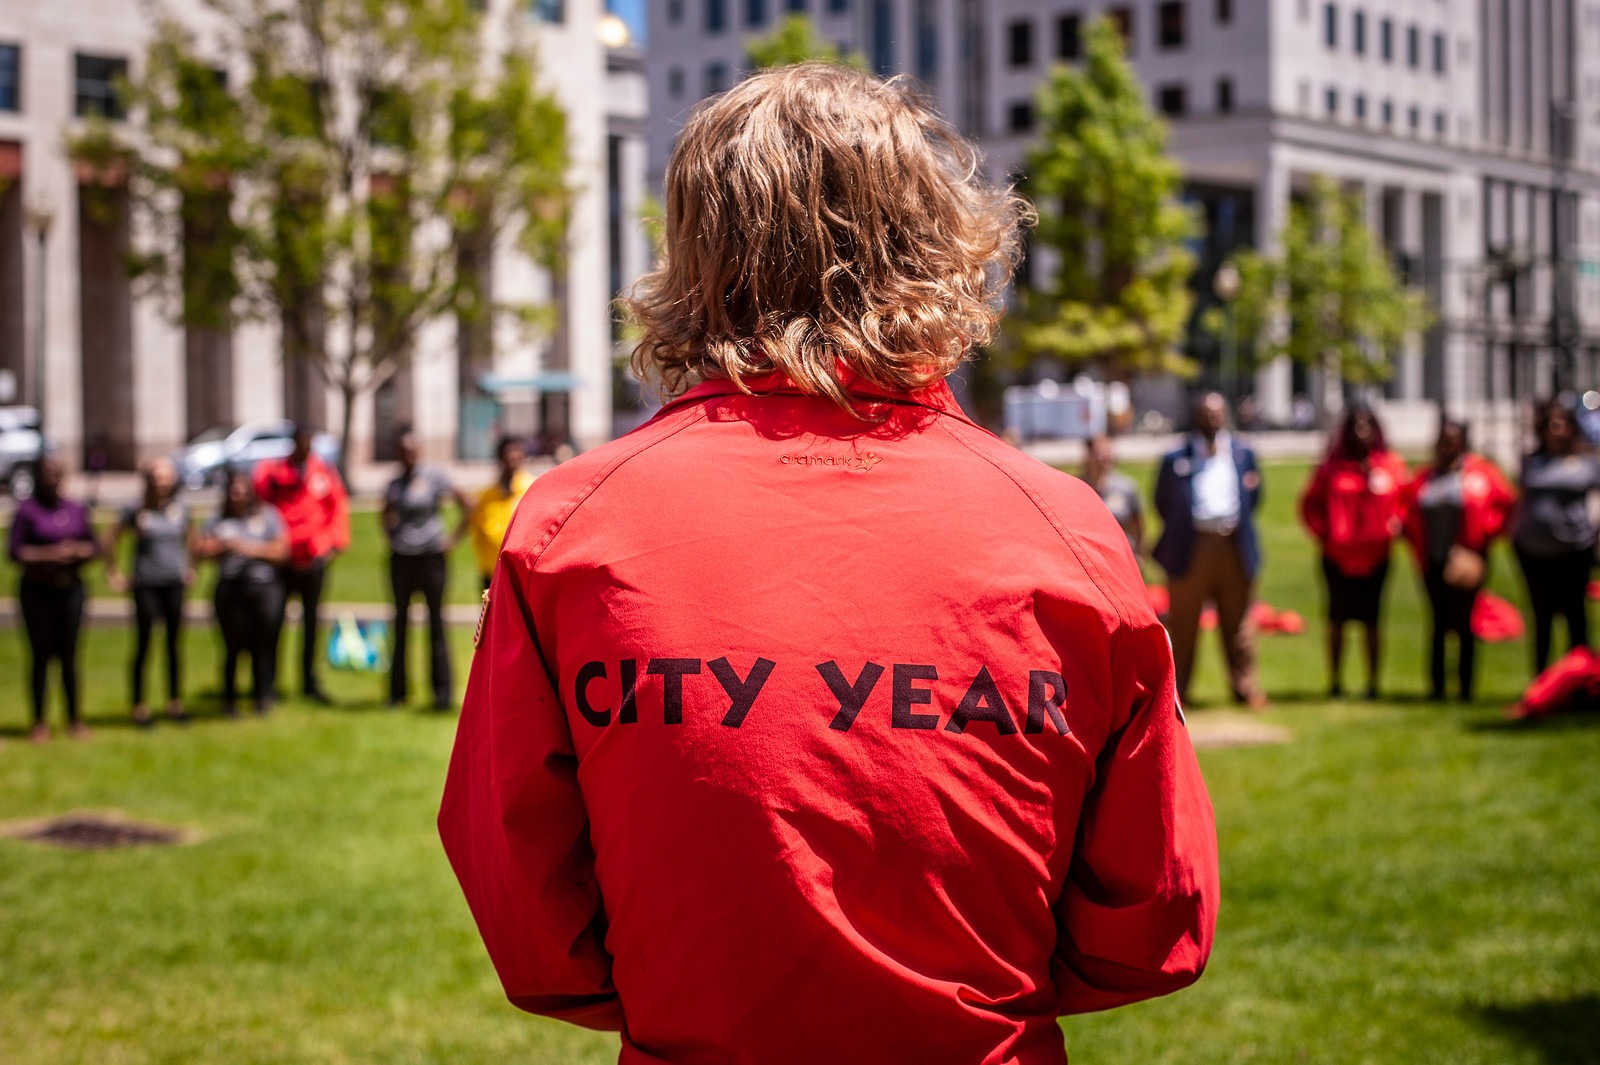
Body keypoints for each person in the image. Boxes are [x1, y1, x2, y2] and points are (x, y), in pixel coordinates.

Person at [439, 64, 1217, 1062]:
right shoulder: (1060, 529)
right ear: (937, 243)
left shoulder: (572, 528)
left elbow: (534, 922)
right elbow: (1155, 918)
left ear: (695, 251)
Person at [1153, 391, 1268, 709]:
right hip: (1192, 547)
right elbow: (1162, 501)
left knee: (1239, 623)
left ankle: (1245, 688)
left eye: (1218, 414)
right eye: (1206, 414)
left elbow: (1255, 499)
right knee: (1184, 624)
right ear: (1196, 417)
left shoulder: (1243, 454)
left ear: (1226, 416)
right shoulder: (1176, 457)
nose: (1212, 419)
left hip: (1233, 545)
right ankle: (1178, 694)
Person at [1298, 404, 1410, 699]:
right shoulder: (1331, 468)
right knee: (1337, 620)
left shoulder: (1389, 465)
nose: (1361, 431)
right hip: (1337, 557)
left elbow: (1406, 501)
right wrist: (1326, 532)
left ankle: (1373, 684)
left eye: (1366, 425)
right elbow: (1310, 505)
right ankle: (1335, 682)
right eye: (1355, 426)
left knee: (1373, 620)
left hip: (1376, 558)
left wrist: (1396, 523)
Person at [1403, 418, 1516, 702]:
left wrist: (1485, 535)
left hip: (1469, 560)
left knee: (1466, 623)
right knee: (1438, 623)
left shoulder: (1481, 473)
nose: (1449, 445)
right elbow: (1406, 508)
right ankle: (1437, 687)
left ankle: (1466, 688)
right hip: (1433, 560)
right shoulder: (1425, 477)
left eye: (1454, 439)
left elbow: (1507, 505)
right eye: (1444, 439)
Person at [254, 426, 349, 703]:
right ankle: (268, 684)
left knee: (311, 624)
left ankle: (308, 681)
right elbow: (260, 502)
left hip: (313, 559)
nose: (306, 449)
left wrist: (334, 544)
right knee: (273, 623)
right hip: (282, 561)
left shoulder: (321, 471)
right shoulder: (275, 472)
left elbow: (337, 507)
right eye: (302, 443)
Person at [7, 455, 97, 742]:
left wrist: (79, 551)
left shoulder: (74, 508)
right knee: (40, 656)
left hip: (70, 589)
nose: (52, 479)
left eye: (57, 473)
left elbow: (93, 545)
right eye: (47, 474)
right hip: (38, 591)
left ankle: (74, 718)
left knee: (70, 656)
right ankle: (39, 721)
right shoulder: (27, 512)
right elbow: (15, 553)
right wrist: (50, 554)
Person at [382, 428, 469, 710]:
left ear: (418, 451)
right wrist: (393, 537)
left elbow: (468, 504)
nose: (407, 457)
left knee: (436, 625)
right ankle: (397, 693)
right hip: (402, 560)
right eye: (402, 452)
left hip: (431, 559)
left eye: (411, 451)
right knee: (400, 625)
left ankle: (441, 694)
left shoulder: (434, 477)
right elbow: (385, 513)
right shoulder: (394, 483)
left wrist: (451, 540)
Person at [1513, 397, 1600, 675]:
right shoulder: (1531, 462)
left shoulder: (1587, 462)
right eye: (1550, 424)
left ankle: (1581, 683)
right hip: (1532, 552)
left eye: (1561, 423)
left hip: (1574, 551)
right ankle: (1541, 683)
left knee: (1575, 617)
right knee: (1542, 618)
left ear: (1571, 427)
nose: (1555, 429)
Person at [105, 456, 193, 726]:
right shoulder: (135, 509)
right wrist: (114, 573)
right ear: (149, 480)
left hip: (173, 583)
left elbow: (194, 539)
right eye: (157, 476)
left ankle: (175, 702)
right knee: (144, 644)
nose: (162, 481)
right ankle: (139, 706)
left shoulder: (180, 509)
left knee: (174, 645)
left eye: (166, 476)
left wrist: (191, 567)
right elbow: (110, 538)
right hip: (146, 584)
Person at [196, 470, 291, 716]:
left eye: (243, 492)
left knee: (264, 644)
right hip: (230, 589)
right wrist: (223, 546)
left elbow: (283, 550)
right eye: (234, 492)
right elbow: (200, 548)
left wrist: (249, 548)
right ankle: (230, 699)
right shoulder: (218, 518)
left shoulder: (267, 514)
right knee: (232, 647)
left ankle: (262, 696)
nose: (238, 497)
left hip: (263, 587)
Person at [469, 435, 533, 591]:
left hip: (523, 573)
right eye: (508, 454)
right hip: (491, 572)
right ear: (499, 458)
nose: (512, 458)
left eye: (516, 454)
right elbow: (477, 534)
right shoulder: (486, 496)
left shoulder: (532, 489)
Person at [1081, 434, 1144, 555]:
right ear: (1087, 455)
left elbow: (1138, 526)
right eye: (1098, 452)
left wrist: (1139, 555)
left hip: (1120, 556)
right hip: (1089, 556)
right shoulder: (1077, 488)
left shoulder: (1126, 488)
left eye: (1107, 451)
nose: (1104, 457)